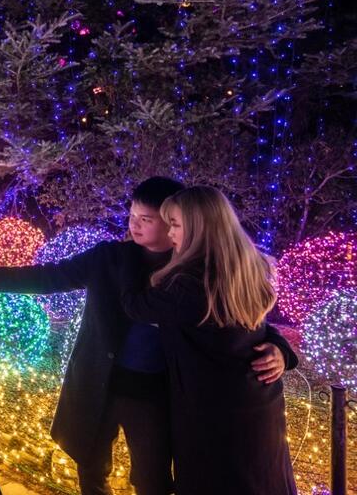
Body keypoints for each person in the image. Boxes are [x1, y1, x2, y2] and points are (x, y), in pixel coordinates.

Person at [0, 177, 295, 495]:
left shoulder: (196, 272)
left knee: (151, 478)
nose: (134, 224)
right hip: (98, 381)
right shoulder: (111, 256)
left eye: (147, 219)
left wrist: (279, 348)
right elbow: (53, 277)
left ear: (173, 222)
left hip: (158, 393)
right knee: (91, 465)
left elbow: (243, 320)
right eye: (132, 215)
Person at [119, 186, 298, 494]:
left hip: (213, 416)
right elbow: (254, 326)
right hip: (258, 406)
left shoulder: (187, 284)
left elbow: (134, 305)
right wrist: (282, 348)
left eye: (175, 224)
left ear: (199, 228)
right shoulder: (248, 268)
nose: (171, 232)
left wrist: (124, 256)